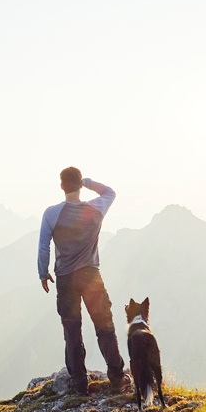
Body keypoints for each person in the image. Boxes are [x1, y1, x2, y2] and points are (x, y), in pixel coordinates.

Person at [38, 167, 128, 395]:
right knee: (104, 327)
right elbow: (109, 192)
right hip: (91, 276)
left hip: (65, 278)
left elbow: (43, 245)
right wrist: (87, 182)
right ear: (79, 184)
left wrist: (43, 272)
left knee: (72, 330)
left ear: (61, 186)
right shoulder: (96, 208)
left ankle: (79, 383)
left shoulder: (51, 213)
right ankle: (117, 377)